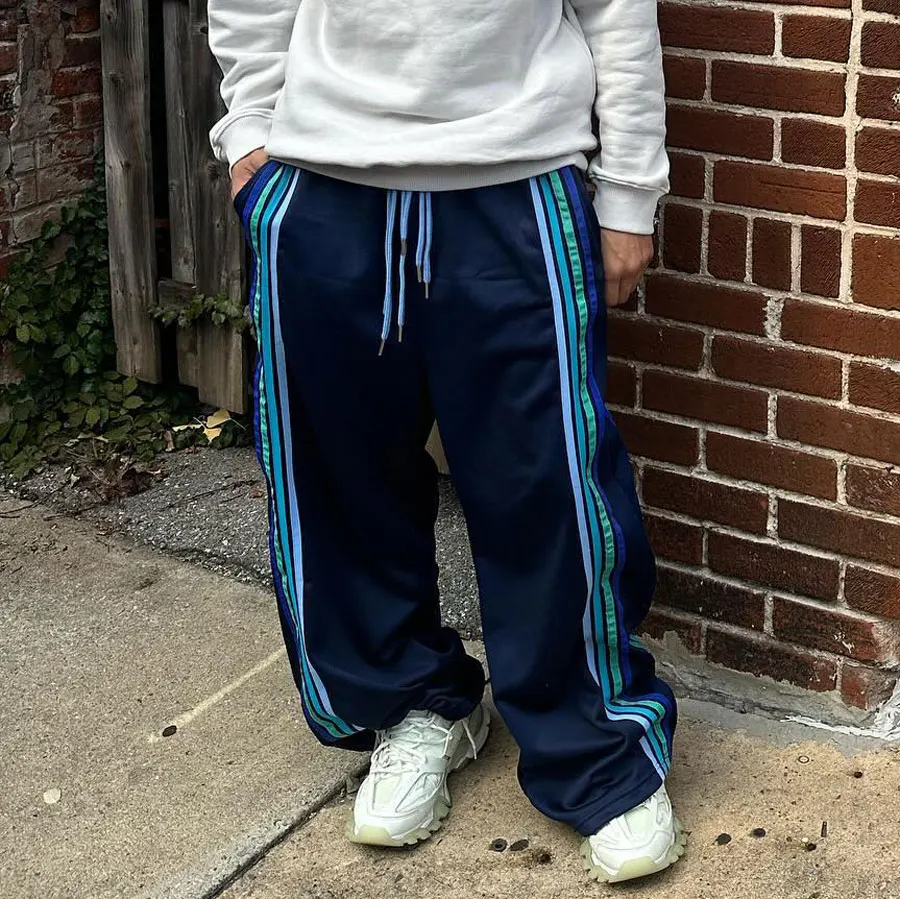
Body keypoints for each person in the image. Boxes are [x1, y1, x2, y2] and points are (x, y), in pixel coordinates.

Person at [208, 0, 683, 883]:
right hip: (326, 183)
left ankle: (598, 754)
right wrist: (251, 137)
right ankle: (416, 703)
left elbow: (618, 11)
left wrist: (628, 193)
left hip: (517, 180)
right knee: (341, 481)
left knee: (551, 489)